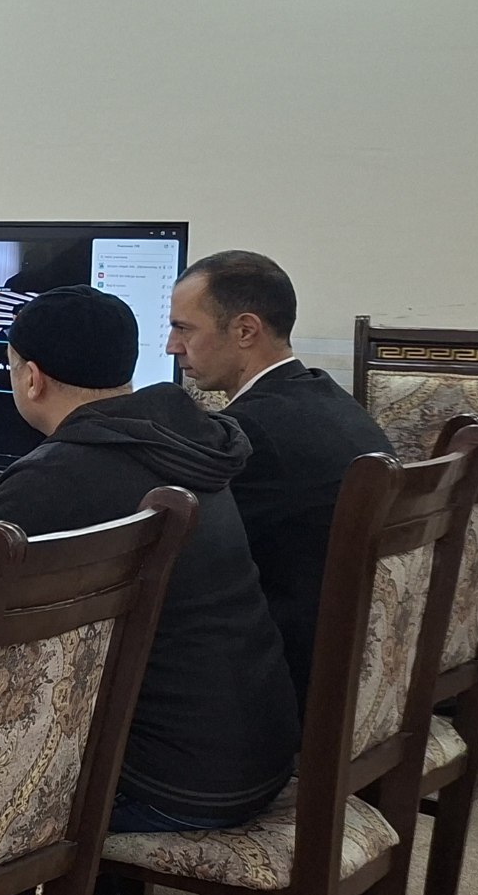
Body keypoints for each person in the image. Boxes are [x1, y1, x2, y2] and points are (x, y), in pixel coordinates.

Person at [0, 287, 302, 895]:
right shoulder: (191, 441)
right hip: (260, 746)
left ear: (30, 376)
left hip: (174, 783)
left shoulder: (50, 480)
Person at [167, 250, 390, 705]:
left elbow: (181, 556)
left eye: (184, 329)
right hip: (360, 673)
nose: (172, 346)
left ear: (245, 330)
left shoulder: (252, 435)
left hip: (286, 689)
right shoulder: (332, 399)